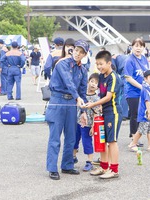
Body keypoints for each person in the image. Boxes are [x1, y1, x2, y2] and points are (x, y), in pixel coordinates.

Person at [46, 39, 89, 180]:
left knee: (71, 136)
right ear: (73, 50)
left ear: (85, 55)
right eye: (77, 50)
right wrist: (77, 98)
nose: (78, 53)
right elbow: (68, 82)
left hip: (72, 102)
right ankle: (52, 168)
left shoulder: (83, 70)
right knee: (55, 137)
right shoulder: (62, 63)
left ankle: (67, 165)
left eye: (81, 52)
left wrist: (83, 111)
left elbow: (83, 91)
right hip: (58, 99)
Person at [84, 50, 123, 179]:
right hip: (103, 112)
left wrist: (93, 104)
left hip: (113, 112)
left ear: (109, 63)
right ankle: (104, 166)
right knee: (103, 140)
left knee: (112, 141)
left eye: (101, 64)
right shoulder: (101, 76)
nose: (99, 66)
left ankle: (114, 169)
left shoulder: (113, 77)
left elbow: (108, 97)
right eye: (97, 64)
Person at [128, 70, 150, 152]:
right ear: (145, 79)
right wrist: (149, 112)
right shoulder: (145, 88)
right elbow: (147, 101)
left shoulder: (149, 87)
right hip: (145, 113)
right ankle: (133, 144)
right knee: (141, 130)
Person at [73, 73, 100, 172]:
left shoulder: (96, 99)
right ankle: (73, 157)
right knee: (74, 140)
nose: (93, 84)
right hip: (77, 122)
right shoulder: (82, 94)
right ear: (88, 82)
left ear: (98, 87)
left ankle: (90, 161)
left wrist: (93, 126)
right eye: (92, 81)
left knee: (87, 142)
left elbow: (97, 113)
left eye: (96, 83)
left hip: (88, 124)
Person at [124, 38, 149, 142]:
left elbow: (147, 73)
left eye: (140, 46)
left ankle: (135, 135)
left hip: (143, 91)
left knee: (141, 114)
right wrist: (141, 87)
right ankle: (134, 136)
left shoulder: (144, 58)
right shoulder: (129, 60)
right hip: (132, 92)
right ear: (132, 47)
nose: (138, 48)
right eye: (136, 46)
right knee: (134, 115)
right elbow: (128, 77)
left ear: (143, 48)